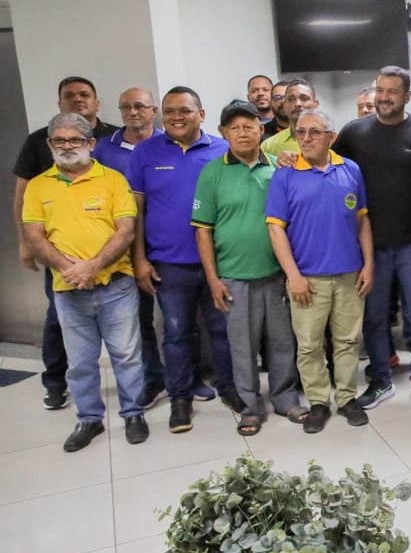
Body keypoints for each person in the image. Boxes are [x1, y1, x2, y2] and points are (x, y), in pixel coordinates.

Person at [22, 113, 149, 451]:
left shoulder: (113, 180)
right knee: (80, 361)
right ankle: (89, 419)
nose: (67, 147)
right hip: (67, 288)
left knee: (127, 355)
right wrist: (71, 269)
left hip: (116, 285)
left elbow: (126, 230)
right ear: (50, 145)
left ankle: (134, 413)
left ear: (90, 144)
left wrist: (93, 265)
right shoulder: (38, 186)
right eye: (59, 141)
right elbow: (35, 237)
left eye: (75, 140)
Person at [128, 86, 241, 433]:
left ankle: (230, 388)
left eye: (185, 111)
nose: (176, 117)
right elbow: (136, 212)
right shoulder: (145, 152)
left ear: (202, 115)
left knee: (223, 331)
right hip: (168, 265)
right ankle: (180, 399)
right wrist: (140, 260)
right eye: (170, 111)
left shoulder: (225, 150)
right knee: (176, 334)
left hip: (221, 263)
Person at [192, 100, 307, 436]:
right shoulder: (212, 172)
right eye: (235, 127)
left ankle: (285, 398)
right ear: (224, 133)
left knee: (283, 341)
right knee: (242, 346)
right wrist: (213, 280)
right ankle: (250, 406)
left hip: (275, 274)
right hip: (233, 277)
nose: (242, 133)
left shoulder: (279, 167)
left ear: (261, 129)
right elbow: (202, 230)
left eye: (249, 126)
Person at [333, 66, 411, 410]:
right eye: (381, 90)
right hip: (369, 246)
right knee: (375, 316)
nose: (384, 97)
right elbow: (329, 168)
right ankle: (380, 378)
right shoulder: (353, 132)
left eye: (393, 91)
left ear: (407, 96)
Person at [12, 76, 117, 410]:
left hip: (113, 254)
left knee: (129, 323)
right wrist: (25, 243)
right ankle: (55, 382)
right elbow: (22, 196)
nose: (78, 100)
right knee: (58, 318)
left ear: (97, 102)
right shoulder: (39, 142)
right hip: (60, 256)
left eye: (85, 94)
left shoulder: (114, 138)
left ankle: (139, 383)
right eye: (69, 96)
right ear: (59, 103)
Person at [266, 109, 374, 433]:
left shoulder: (350, 169)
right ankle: (317, 402)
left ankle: (346, 397)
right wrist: (293, 276)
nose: (306, 138)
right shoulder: (285, 174)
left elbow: (362, 220)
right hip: (307, 279)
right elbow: (275, 229)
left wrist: (368, 263)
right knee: (310, 344)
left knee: (348, 340)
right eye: (301, 132)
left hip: (349, 275)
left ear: (332, 137)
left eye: (315, 132)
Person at [93, 88, 167, 404]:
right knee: (140, 320)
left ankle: (188, 379)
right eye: (126, 107)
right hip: (123, 249)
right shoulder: (102, 149)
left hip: (168, 246)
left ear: (153, 111)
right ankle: (152, 380)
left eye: (140, 106)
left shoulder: (170, 144)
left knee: (181, 320)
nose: (133, 112)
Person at [261, 80, 318, 157]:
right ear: (284, 105)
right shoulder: (268, 145)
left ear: (315, 104)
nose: (297, 104)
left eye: (304, 98)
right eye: (291, 99)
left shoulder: (330, 140)